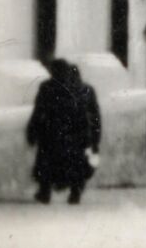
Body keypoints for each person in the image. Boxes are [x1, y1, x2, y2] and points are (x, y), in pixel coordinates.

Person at [26, 59, 101, 205]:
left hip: (51, 134)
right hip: (78, 136)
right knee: (76, 164)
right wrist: (95, 140)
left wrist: (32, 132)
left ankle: (45, 192)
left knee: (47, 163)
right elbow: (95, 118)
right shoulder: (85, 89)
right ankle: (75, 192)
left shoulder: (47, 87)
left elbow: (38, 112)